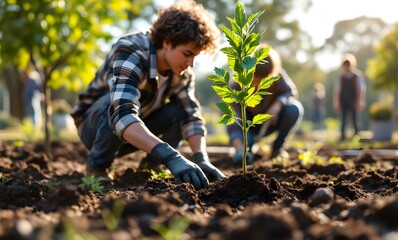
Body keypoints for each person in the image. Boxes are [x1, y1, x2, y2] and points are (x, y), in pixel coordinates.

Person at [71, 0, 225, 190]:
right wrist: (172, 156)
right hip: (93, 129)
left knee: (180, 110)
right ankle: (98, 165)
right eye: (187, 54)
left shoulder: (181, 74)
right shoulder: (130, 51)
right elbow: (121, 114)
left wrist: (201, 158)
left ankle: (151, 167)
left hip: (132, 131)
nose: (190, 63)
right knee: (114, 102)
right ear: (167, 42)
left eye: (195, 56)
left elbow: (190, 116)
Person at [227, 46, 304, 164]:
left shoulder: (278, 76)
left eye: (264, 82)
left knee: (294, 109)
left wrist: (277, 106)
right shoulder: (237, 84)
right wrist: (239, 149)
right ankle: (247, 148)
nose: (258, 86)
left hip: (270, 123)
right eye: (255, 81)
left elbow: (290, 92)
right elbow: (234, 119)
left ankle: (277, 148)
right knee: (247, 147)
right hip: (248, 127)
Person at [333, 53, 366, 141]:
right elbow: (337, 91)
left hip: (353, 100)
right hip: (343, 100)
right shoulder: (341, 78)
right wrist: (336, 103)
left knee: (355, 118)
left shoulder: (357, 76)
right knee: (343, 119)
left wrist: (360, 101)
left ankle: (356, 135)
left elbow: (360, 89)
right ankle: (342, 136)